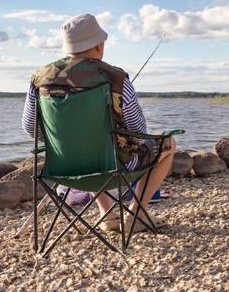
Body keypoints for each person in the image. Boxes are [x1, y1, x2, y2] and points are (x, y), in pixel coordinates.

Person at [21, 13, 176, 232]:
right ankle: (134, 216)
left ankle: (107, 214)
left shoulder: (39, 78)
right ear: (97, 46)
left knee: (85, 145)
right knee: (168, 142)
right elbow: (138, 132)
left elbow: (30, 128)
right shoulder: (115, 77)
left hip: (63, 168)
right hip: (113, 168)